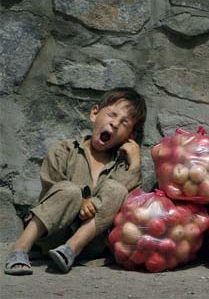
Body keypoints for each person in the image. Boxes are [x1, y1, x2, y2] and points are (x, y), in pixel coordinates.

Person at [4, 88, 147, 275]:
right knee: (69, 190)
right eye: (112, 114)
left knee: (117, 190)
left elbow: (130, 201)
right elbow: (51, 187)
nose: (114, 124)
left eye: (124, 123)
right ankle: (20, 249)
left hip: (90, 243)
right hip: (53, 233)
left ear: (130, 136)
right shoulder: (64, 150)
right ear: (94, 113)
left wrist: (135, 164)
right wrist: (81, 202)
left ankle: (70, 249)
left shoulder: (122, 166)